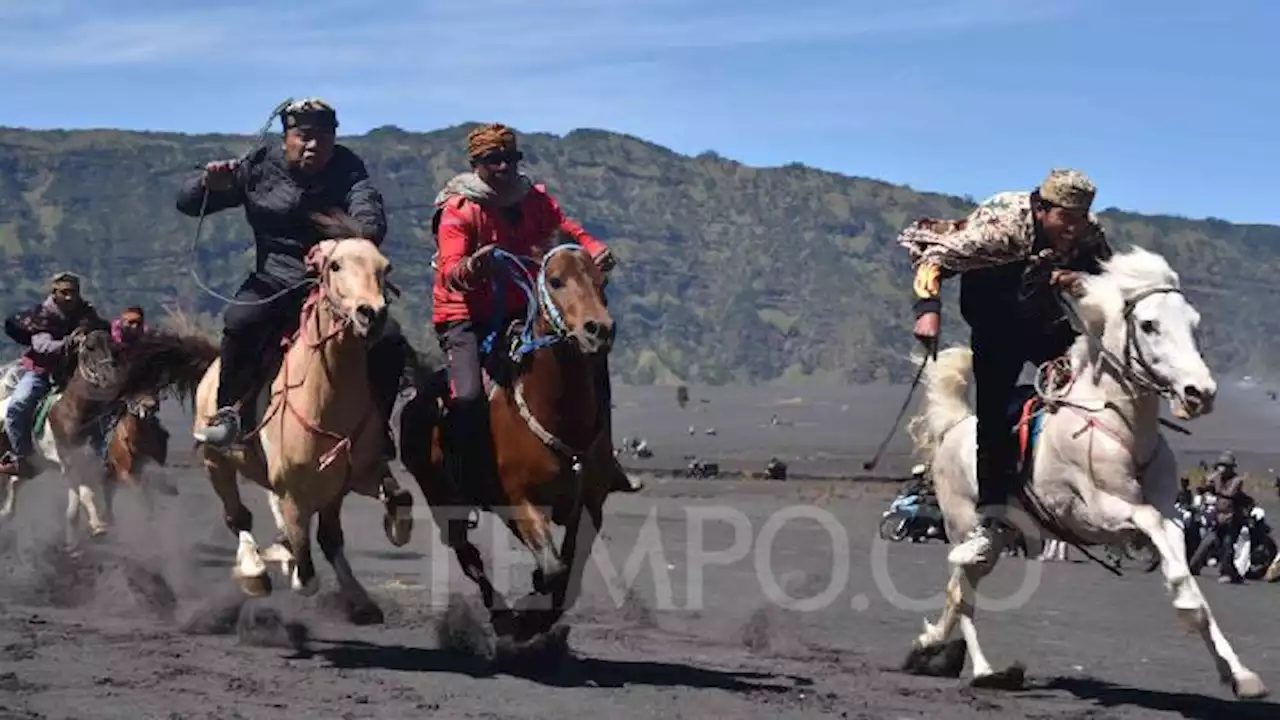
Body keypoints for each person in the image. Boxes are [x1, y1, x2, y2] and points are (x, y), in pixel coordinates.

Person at [174, 98, 408, 466]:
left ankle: (377, 428)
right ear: (286, 138)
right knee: (241, 321)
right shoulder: (258, 167)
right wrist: (207, 183)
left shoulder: (347, 168)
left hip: (333, 286)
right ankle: (227, 414)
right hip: (274, 278)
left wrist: (341, 241)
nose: (315, 144)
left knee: (390, 339)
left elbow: (370, 219)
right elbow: (187, 204)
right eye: (304, 136)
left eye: (325, 137)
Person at [899, 168, 1113, 566]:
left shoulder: (1086, 233)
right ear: (1042, 208)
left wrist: (1080, 282)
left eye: (1080, 218)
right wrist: (928, 312)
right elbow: (932, 263)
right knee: (993, 417)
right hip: (993, 320)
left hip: (1043, 317)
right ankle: (991, 519)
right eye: (1065, 218)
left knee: (1087, 382)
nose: (1073, 228)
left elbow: (1112, 279)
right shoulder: (1001, 229)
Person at [430, 123, 641, 495]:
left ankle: (603, 459)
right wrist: (472, 268)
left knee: (592, 364)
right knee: (466, 396)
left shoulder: (531, 198)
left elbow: (565, 228)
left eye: (510, 158)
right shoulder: (459, 210)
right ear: (476, 163)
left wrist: (592, 246)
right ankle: (466, 474)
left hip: (523, 302)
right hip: (464, 314)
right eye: (493, 160)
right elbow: (450, 272)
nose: (504, 167)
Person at [0, 272, 110, 476]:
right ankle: (21, 457)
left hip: (76, 374)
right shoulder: (41, 315)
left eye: (73, 292)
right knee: (18, 406)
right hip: (42, 372)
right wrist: (70, 342)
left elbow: (103, 333)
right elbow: (43, 346)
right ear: (55, 292)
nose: (69, 297)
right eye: (65, 292)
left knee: (108, 405)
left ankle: (103, 456)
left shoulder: (87, 314)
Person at [1205, 450, 1246, 583]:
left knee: (1228, 544)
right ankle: (1233, 573)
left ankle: (1226, 573)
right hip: (1219, 516)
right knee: (1220, 544)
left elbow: (1230, 493)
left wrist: (1216, 480)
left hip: (1233, 518)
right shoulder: (1217, 479)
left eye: (1225, 466)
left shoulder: (1237, 480)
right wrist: (1210, 480)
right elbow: (1205, 487)